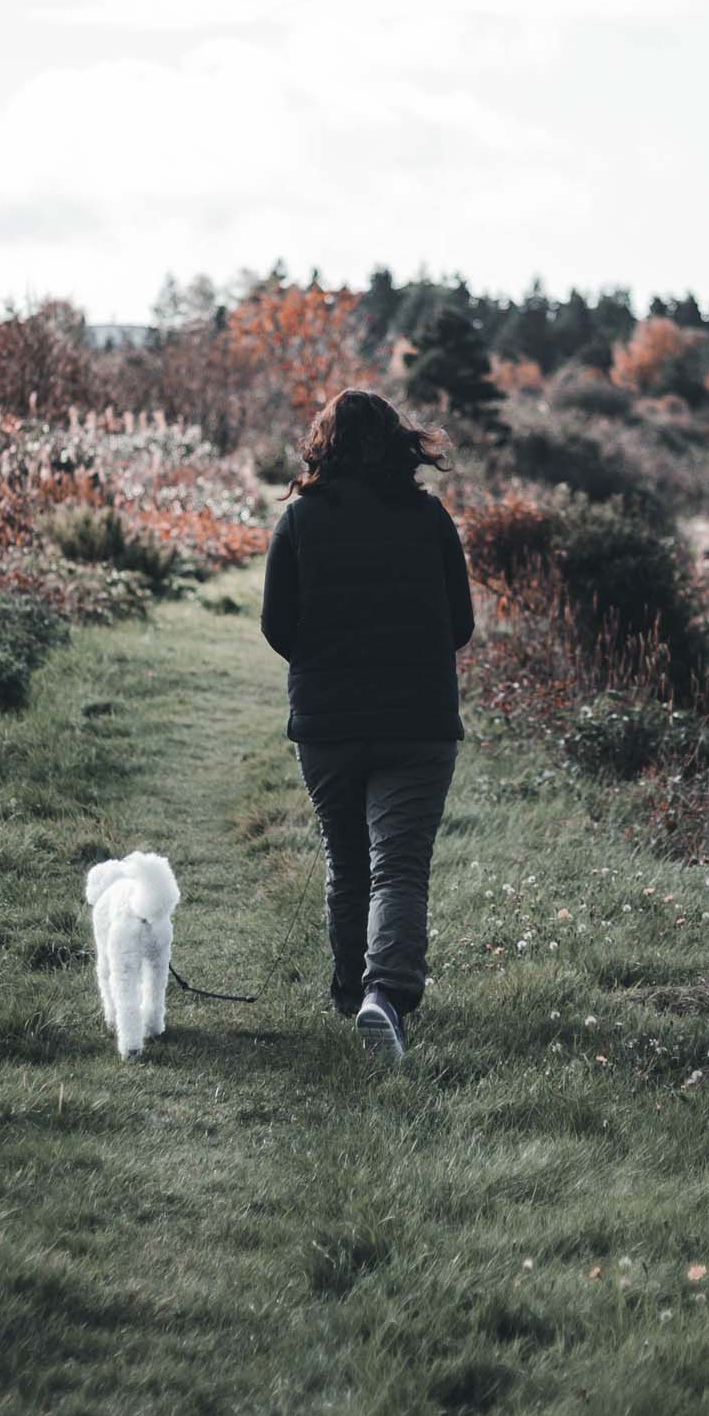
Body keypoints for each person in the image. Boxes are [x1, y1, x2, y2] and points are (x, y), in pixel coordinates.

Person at [258, 388, 475, 1064]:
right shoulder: (429, 518)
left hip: (328, 722)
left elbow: (277, 627)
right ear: (400, 443)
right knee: (400, 868)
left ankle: (352, 995)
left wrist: (326, 664)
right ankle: (386, 998)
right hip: (419, 720)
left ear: (323, 444)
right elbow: (460, 626)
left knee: (348, 863)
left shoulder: (300, 521)